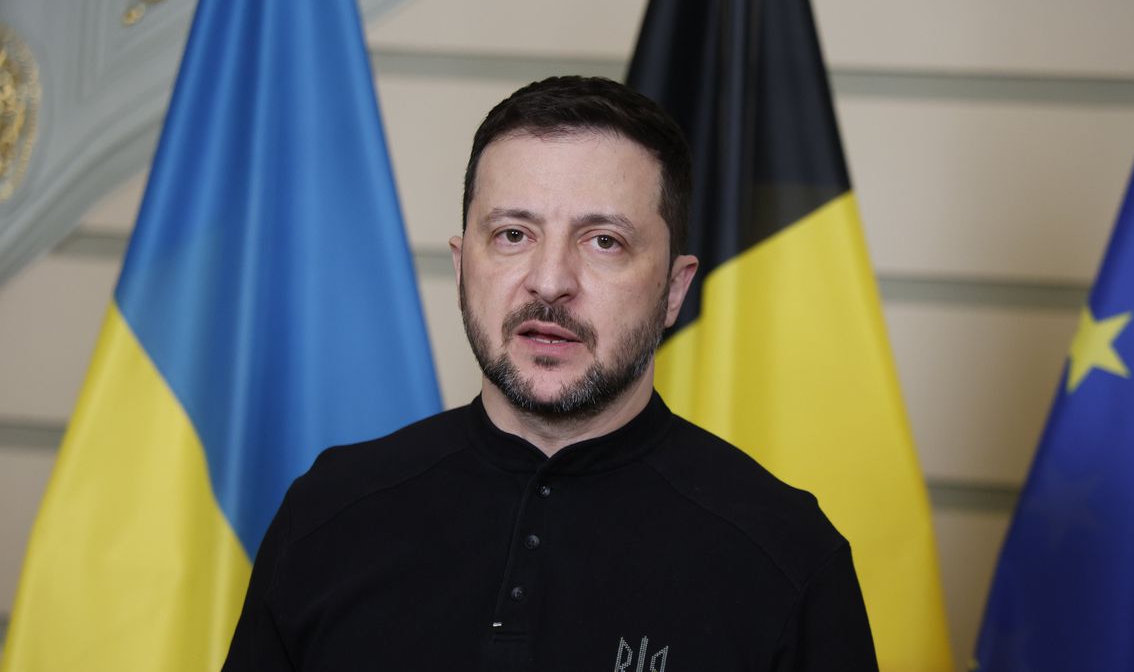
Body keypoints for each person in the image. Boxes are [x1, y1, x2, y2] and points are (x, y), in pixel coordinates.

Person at [222, 76, 877, 671]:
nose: (549, 281)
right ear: (460, 266)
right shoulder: (328, 512)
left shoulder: (787, 554)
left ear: (675, 290)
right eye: (512, 234)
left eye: (604, 241)